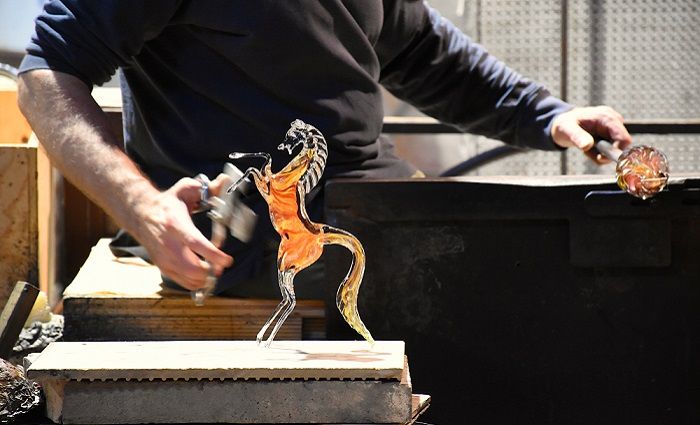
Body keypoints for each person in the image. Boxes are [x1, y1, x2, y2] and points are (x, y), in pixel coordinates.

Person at [17, 0, 632, 296]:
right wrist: (142, 207)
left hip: (375, 212)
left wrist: (549, 116)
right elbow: (46, 75)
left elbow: (422, 52)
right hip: (245, 243)